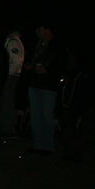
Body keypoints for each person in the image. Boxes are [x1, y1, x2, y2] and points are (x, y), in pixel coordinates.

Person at [24, 23, 65, 155]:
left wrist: (48, 70)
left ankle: (48, 145)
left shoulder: (57, 45)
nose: (37, 32)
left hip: (48, 85)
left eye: (39, 29)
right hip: (35, 83)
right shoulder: (38, 45)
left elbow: (61, 64)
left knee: (46, 116)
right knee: (36, 116)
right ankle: (38, 144)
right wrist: (30, 66)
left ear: (47, 30)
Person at [0, 30, 25, 140]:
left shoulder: (13, 42)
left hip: (11, 76)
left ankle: (8, 129)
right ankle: (7, 128)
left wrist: (8, 74)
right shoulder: (13, 41)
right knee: (6, 101)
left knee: (7, 102)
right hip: (12, 75)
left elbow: (17, 60)